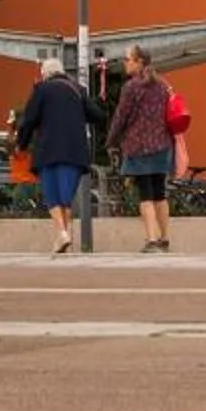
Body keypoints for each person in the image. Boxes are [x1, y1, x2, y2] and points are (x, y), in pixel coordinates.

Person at [13, 54, 95, 255]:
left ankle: (62, 232)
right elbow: (98, 115)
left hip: (49, 151)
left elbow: (29, 120)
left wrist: (20, 145)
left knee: (52, 197)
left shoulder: (42, 90)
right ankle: (62, 239)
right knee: (66, 198)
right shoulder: (78, 90)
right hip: (76, 152)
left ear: (44, 74)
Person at [107, 44, 178, 252]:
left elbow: (121, 117)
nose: (124, 63)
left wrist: (111, 140)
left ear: (139, 62)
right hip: (163, 146)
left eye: (128, 59)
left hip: (140, 147)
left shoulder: (131, 87)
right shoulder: (163, 85)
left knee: (145, 195)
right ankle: (164, 239)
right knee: (160, 194)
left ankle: (152, 240)